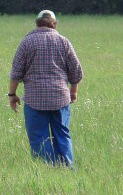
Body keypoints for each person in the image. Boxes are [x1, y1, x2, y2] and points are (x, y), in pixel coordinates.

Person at [8, 9, 83, 166]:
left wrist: (12, 94)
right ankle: (67, 168)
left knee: (38, 137)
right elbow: (76, 70)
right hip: (60, 98)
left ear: (37, 23)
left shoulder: (27, 42)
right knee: (62, 134)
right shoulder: (64, 42)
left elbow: (16, 73)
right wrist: (73, 91)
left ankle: (47, 168)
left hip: (34, 99)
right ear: (54, 24)